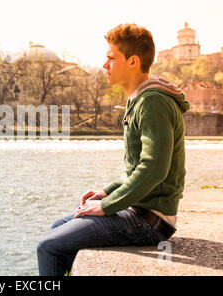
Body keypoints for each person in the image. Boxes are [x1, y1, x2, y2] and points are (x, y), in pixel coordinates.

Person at [36, 23, 190, 276]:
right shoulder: (140, 99)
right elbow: (136, 168)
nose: (104, 65)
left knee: (49, 247)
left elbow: (154, 168)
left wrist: (108, 205)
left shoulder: (153, 102)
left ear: (133, 61)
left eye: (111, 58)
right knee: (57, 227)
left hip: (150, 221)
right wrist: (106, 192)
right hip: (138, 210)